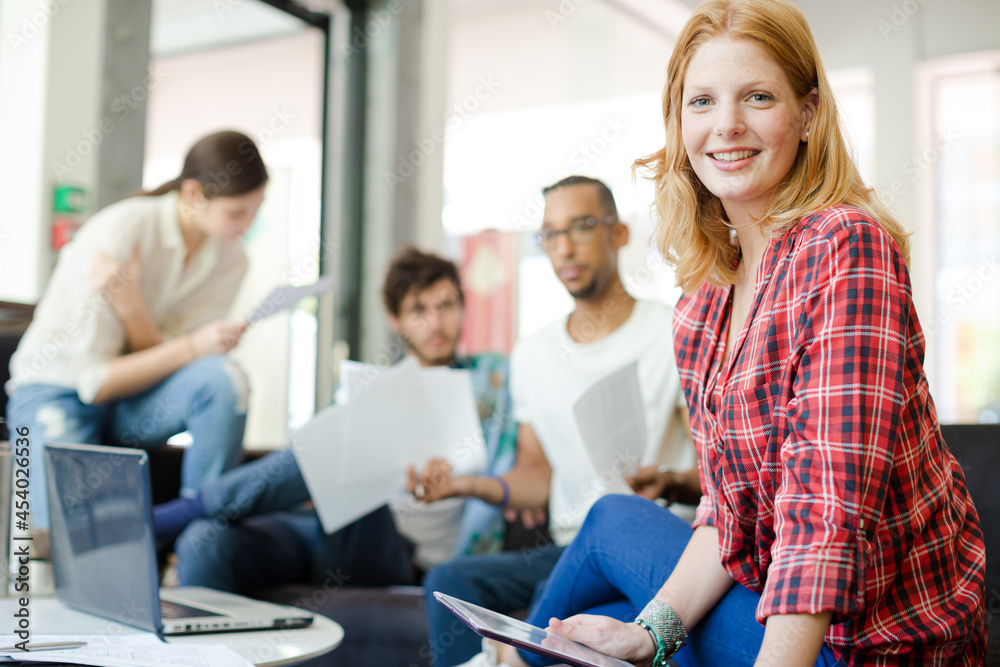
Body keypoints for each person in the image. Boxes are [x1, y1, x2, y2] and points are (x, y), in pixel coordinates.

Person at [491, 2, 987, 666]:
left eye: (757, 96)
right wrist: (650, 633)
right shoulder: (702, 304)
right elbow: (730, 513)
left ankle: (495, 659)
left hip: (867, 643)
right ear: (680, 121)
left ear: (808, 111)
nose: (726, 125)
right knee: (598, 629)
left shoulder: (844, 246)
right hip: (776, 602)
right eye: (702, 101)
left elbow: (824, 516)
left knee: (611, 521)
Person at [414, 175, 700, 667]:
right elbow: (535, 476)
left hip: (648, 546)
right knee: (450, 582)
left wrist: (671, 483)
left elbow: (719, 480)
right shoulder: (533, 354)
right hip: (568, 549)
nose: (564, 248)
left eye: (582, 227)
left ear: (619, 233)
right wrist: (464, 485)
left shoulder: (671, 331)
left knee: (564, 605)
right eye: (550, 234)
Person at [153, 247, 520, 593]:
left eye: (446, 306)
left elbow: (533, 454)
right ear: (396, 320)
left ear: (463, 308)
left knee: (354, 454)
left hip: (394, 550)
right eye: (419, 310)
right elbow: (310, 474)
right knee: (205, 540)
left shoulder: (493, 380)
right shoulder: (369, 387)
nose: (436, 322)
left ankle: (178, 512)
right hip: (322, 532)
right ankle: (194, 520)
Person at [7, 130, 267, 536]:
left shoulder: (232, 259)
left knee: (224, 378)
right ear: (195, 194)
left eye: (256, 211)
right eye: (237, 213)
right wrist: (192, 346)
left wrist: (133, 311)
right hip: (59, 389)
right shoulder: (123, 230)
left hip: (134, 393)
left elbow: (169, 360)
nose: (247, 225)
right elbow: (95, 383)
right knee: (69, 545)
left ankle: (198, 541)